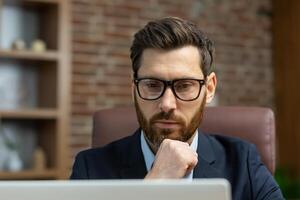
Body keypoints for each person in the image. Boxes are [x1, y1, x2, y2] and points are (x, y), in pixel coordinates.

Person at [70, 17, 283, 200]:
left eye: (184, 86)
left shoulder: (242, 161)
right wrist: (155, 183)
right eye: (152, 85)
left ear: (209, 89)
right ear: (133, 88)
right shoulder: (90, 168)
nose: (167, 104)